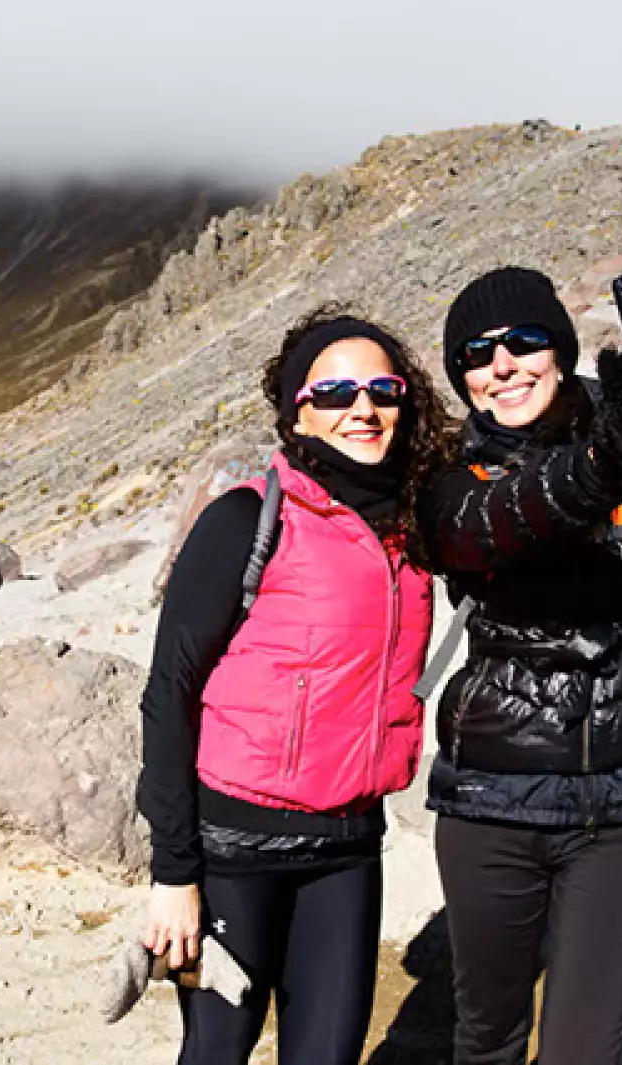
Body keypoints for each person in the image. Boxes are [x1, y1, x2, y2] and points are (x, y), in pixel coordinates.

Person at [418, 267, 622, 1064]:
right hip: (492, 798)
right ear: (461, 377)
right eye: (477, 354)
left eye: (525, 343)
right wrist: (613, 452)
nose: (503, 365)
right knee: (487, 1036)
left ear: (562, 352)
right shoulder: (446, 476)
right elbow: (502, 522)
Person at [136, 307, 452, 1065]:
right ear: (298, 411)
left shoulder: (412, 529)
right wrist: (173, 874)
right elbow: (169, 691)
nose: (363, 409)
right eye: (337, 391)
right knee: (216, 1053)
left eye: (383, 389)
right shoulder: (248, 517)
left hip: (347, 849)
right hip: (232, 853)